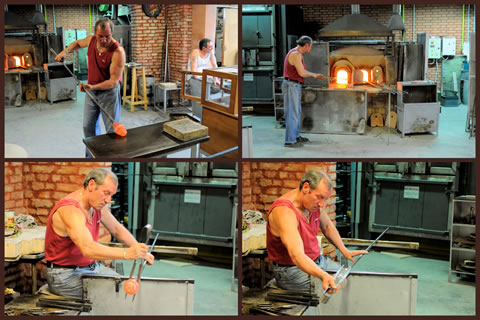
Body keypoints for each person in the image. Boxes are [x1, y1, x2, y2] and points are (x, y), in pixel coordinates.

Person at [45, 168, 154, 297]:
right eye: (106, 193)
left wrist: (139, 249)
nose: (108, 200)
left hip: (90, 268)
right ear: (91, 185)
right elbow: (87, 248)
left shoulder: (97, 205)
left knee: (122, 286)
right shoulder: (70, 210)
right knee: (115, 295)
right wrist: (126, 253)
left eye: (111, 195)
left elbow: (116, 229)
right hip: (65, 276)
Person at [266, 169, 368, 292]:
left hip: (318, 261)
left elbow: (327, 227)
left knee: (347, 280)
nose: (321, 204)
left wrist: (344, 250)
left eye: (324, 199)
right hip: (292, 269)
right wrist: (322, 275)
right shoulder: (285, 212)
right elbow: (296, 255)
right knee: (334, 290)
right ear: (306, 187)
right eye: (319, 197)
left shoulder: (312, 204)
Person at [55, 18, 125, 158]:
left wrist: (92, 86)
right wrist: (64, 52)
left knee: (111, 131)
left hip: (108, 93)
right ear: (95, 34)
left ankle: (111, 159)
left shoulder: (118, 52)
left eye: (108, 36)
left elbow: (113, 82)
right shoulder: (91, 40)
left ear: (112, 33)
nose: (104, 40)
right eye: (100, 36)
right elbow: (77, 43)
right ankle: (92, 158)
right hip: (91, 91)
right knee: (88, 127)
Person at [282, 36, 326, 148]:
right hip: (291, 85)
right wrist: (314, 75)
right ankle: (290, 141)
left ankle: (296, 136)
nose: (311, 48)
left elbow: (301, 72)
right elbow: (301, 73)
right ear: (306, 45)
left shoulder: (297, 54)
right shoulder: (295, 54)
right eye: (310, 46)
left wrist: (314, 75)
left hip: (294, 85)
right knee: (292, 113)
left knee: (297, 112)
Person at [187, 38, 219, 120]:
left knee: (216, 87)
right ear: (204, 48)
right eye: (210, 47)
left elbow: (214, 65)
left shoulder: (210, 53)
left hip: (204, 75)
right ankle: (198, 114)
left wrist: (216, 78)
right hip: (194, 76)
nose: (212, 48)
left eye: (212, 46)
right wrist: (201, 81)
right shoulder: (195, 53)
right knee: (200, 91)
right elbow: (194, 71)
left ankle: (208, 111)